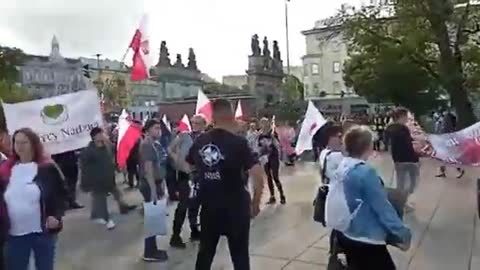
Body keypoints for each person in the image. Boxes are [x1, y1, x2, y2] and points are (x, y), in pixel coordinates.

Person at [186, 99, 264, 270]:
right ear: (230, 116)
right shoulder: (239, 143)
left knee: (205, 254)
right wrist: (255, 203)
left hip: (210, 207)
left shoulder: (200, 141)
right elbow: (258, 175)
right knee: (240, 255)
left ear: (213, 116)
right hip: (236, 208)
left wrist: (204, 175)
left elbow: (189, 163)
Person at [336, 126, 411, 270]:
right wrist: (402, 232)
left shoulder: (343, 166)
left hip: (346, 232)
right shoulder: (365, 172)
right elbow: (382, 207)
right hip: (367, 237)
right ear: (368, 147)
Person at [0, 128, 67, 270]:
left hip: (42, 233)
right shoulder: (6, 170)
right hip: (14, 235)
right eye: (17, 142)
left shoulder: (47, 168)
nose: (20, 146)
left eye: (24, 142)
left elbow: (61, 194)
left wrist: (56, 215)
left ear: (33, 144)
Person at [80, 127, 134, 230]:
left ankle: (123, 207)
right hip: (97, 180)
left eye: (103, 133)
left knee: (117, 193)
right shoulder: (89, 151)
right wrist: (87, 182)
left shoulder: (106, 147)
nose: (104, 135)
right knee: (100, 200)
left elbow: (111, 158)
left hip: (109, 177)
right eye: (101, 134)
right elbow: (84, 168)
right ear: (95, 137)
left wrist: (117, 167)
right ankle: (106, 219)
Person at [138, 119, 169, 262]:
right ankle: (149, 252)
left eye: (159, 128)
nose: (159, 131)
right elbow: (148, 169)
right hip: (150, 185)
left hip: (156, 183)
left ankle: (153, 249)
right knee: (152, 218)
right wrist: (153, 190)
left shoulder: (153, 144)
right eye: (156, 128)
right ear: (148, 129)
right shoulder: (146, 146)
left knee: (155, 217)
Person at [385, 108, 420, 212]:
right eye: (406, 116)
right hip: (409, 159)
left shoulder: (388, 128)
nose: (407, 118)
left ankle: (401, 202)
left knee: (401, 182)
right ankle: (401, 203)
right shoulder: (403, 128)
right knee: (411, 183)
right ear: (402, 116)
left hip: (398, 159)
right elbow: (409, 144)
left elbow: (388, 144)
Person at [258, 117, 286, 204]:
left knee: (275, 177)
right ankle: (272, 196)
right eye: (262, 123)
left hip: (273, 157)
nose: (263, 125)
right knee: (268, 177)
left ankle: (282, 195)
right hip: (265, 158)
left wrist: (273, 139)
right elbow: (258, 146)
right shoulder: (259, 135)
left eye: (265, 123)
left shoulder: (273, 133)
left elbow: (278, 145)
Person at [436, 110, 465, 179]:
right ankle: (442, 171)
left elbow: (445, 131)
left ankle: (459, 170)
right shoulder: (450, 121)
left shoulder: (447, 120)